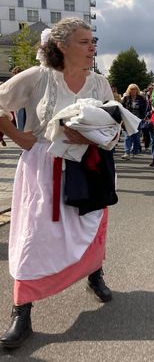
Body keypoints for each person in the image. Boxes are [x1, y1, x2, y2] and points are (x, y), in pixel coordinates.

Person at [0, 18, 115, 348]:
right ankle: (21, 311)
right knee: (33, 235)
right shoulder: (39, 77)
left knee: (90, 224)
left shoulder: (100, 84)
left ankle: (94, 274)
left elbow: (113, 127)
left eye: (94, 41)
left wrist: (95, 136)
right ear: (61, 45)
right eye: (84, 41)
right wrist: (20, 136)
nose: (92, 47)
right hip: (43, 167)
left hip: (88, 165)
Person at [120, 83, 147, 160]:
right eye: (131, 89)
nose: (133, 91)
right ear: (129, 90)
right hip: (128, 119)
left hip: (137, 119)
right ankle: (127, 152)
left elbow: (144, 108)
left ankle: (135, 150)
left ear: (137, 90)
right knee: (128, 136)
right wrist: (122, 119)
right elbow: (122, 109)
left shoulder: (141, 99)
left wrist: (143, 117)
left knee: (136, 136)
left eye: (134, 89)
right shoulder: (126, 98)